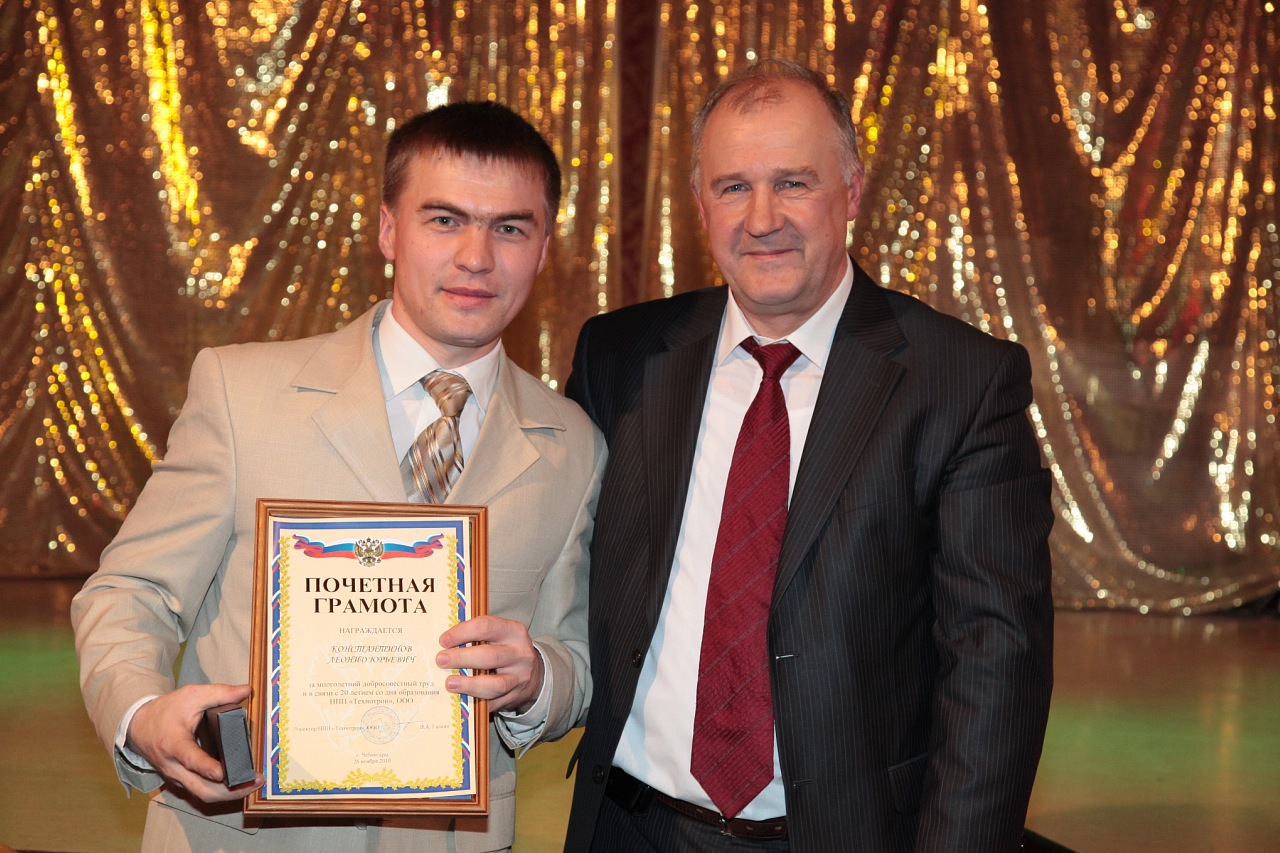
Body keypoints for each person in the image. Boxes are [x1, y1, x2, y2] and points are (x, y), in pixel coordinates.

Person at [71, 100, 606, 853]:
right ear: (389, 229)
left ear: (544, 247)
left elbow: (576, 655)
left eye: (510, 228)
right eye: (444, 220)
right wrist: (141, 715)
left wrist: (538, 679)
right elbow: (131, 591)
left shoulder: (574, 444)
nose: (476, 257)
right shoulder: (241, 393)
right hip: (236, 835)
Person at [562, 58, 1054, 852]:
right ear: (701, 205)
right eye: (733, 187)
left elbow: (996, 667)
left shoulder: (961, 382)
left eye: (793, 183)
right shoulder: (619, 356)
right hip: (629, 828)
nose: (762, 218)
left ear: (851, 192)